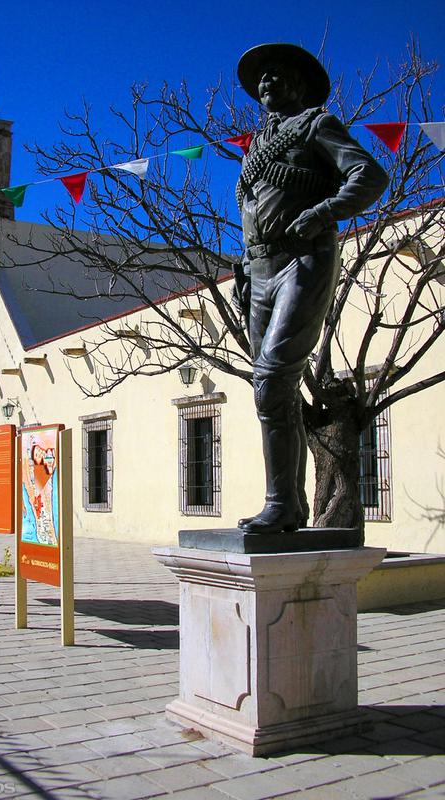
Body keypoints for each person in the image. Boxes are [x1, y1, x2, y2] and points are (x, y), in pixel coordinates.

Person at [234, 43, 389, 534]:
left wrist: (321, 213)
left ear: (300, 84)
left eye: (277, 75)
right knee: (268, 392)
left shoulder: (317, 124)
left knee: (274, 379)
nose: (266, 84)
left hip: (304, 261)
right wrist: (243, 268)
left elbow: (370, 174)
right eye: (262, 78)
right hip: (258, 272)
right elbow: (252, 210)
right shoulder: (257, 147)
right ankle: (289, 506)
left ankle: (283, 504)